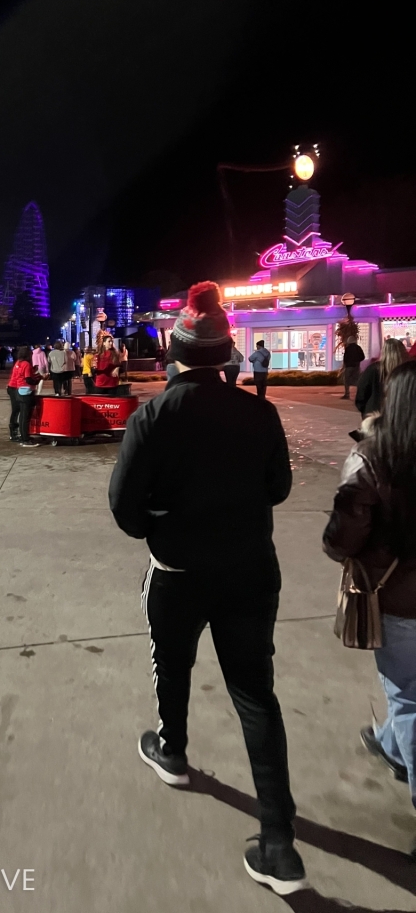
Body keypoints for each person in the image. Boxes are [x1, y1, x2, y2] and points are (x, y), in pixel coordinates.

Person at [109, 281, 305, 895]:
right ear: (227, 356)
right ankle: (279, 844)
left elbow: (123, 507)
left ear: (176, 351)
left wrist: (160, 527)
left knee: (172, 662)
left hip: (179, 572)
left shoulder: (153, 415)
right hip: (250, 569)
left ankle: (173, 752)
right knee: (256, 696)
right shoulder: (260, 412)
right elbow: (278, 489)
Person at [323, 361, 416, 834]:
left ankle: (400, 749)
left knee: (408, 697)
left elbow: (343, 535)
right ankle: (392, 746)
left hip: (400, 602)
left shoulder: (375, 459)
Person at [354, 338, 408, 417]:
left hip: (374, 415)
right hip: (400, 417)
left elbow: (361, 394)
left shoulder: (373, 369)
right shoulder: (407, 371)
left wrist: (366, 410)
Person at [7, 345, 41, 447]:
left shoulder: (18, 362)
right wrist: (37, 379)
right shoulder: (26, 364)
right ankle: (21, 436)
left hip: (15, 388)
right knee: (21, 413)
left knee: (19, 412)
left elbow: (22, 374)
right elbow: (27, 379)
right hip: (18, 388)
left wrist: (32, 371)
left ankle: (20, 434)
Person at [342, 335, 366, 399]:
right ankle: (360, 394)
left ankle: (347, 394)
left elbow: (345, 358)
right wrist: (357, 361)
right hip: (356, 366)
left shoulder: (348, 348)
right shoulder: (358, 348)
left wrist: (345, 365)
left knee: (347, 380)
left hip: (349, 366)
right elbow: (363, 357)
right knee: (357, 380)